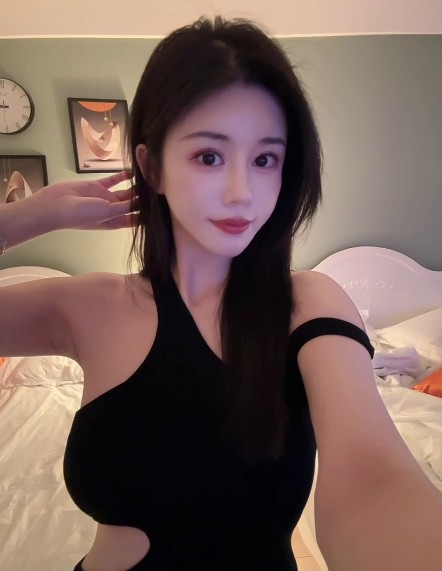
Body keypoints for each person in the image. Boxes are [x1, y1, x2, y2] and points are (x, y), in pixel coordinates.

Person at [1, 15, 442, 571]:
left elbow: (373, 481)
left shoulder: (306, 304)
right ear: (151, 167)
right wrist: (24, 219)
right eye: (209, 156)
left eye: (265, 159)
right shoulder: (89, 307)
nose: (242, 192)